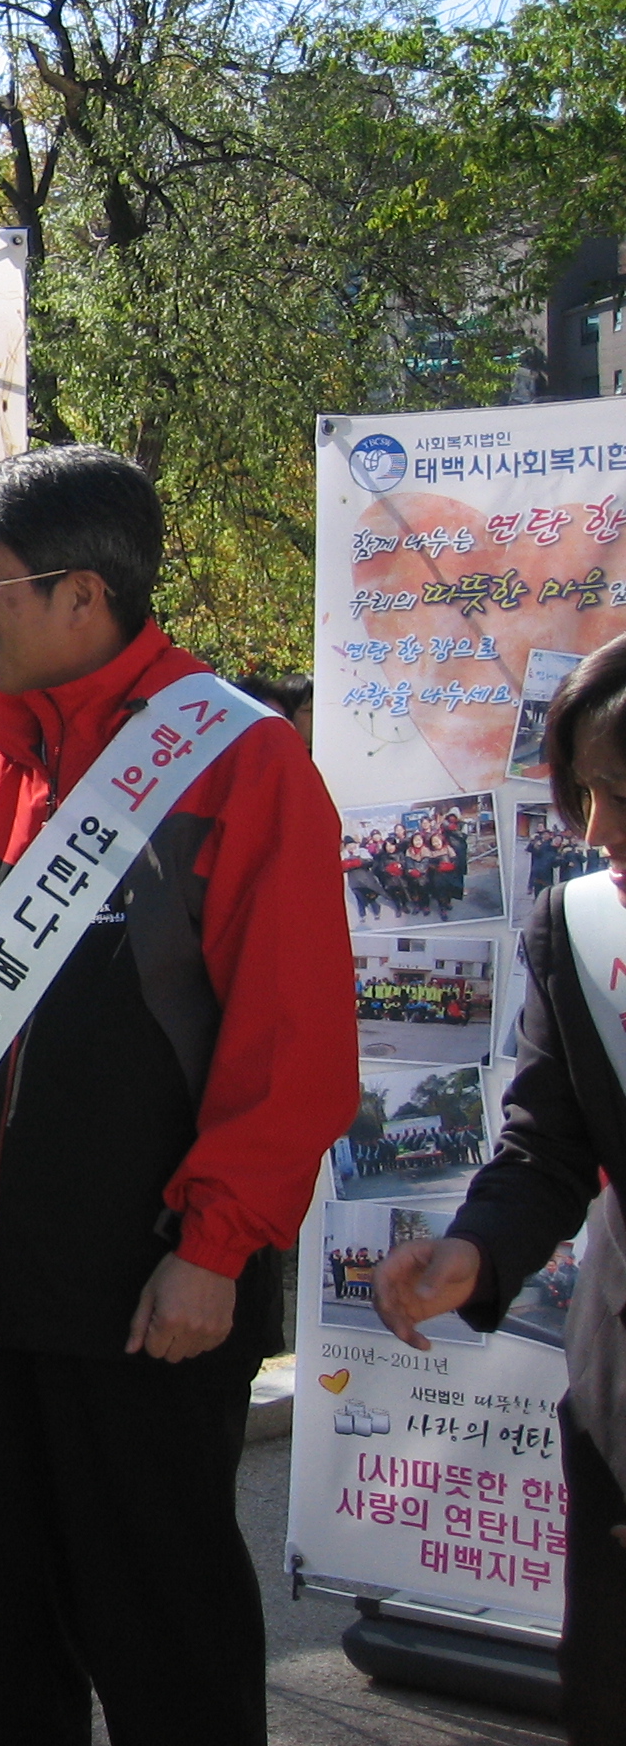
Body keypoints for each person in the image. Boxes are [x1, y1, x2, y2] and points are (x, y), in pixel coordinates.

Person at [0, 448, 355, 1746]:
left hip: (153, 1294)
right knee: (13, 1638)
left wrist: (215, 1248)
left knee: (165, 1627)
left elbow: (292, 1043)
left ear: (84, 596)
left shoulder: (240, 760)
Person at [375, 633, 626, 1736]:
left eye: (622, 795)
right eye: (583, 794)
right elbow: (547, 1147)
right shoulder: (579, 926)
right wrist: (472, 1253)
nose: (599, 830)